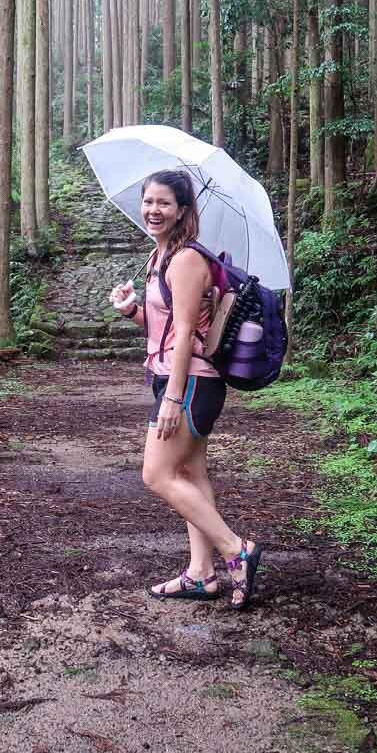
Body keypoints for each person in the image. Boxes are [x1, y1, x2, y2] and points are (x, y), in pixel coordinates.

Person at [109, 169, 264, 609]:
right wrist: (132, 310)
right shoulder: (160, 258)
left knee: (156, 474)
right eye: (148, 202)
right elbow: (163, 330)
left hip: (193, 382)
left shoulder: (187, 260)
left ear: (182, 211)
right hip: (175, 376)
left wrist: (173, 399)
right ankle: (201, 574)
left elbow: (182, 339)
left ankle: (237, 550)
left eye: (164, 203)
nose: (153, 210)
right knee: (191, 475)